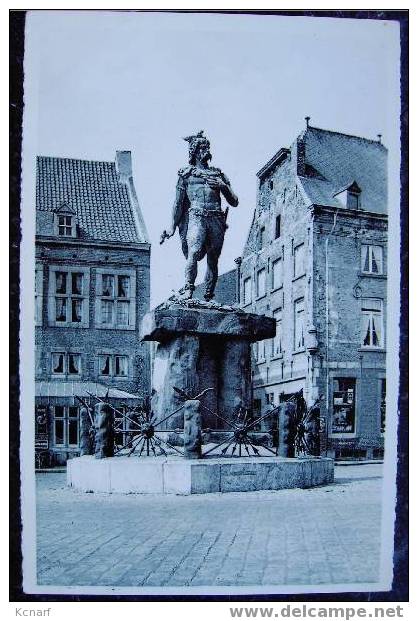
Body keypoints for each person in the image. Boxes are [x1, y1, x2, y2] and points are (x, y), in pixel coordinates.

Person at [161, 131, 239, 300]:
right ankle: (189, 289)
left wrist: (223, 186)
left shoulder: (219, 174)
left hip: (217, 218)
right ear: (194, 151)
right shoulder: (186, 175)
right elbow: (178, 203)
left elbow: (234, 201)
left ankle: (209, 295)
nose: (206, 149)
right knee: (194, 253)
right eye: (203, 147)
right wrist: (171, 227)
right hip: (196, 217)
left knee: (213, 258)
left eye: (207, 146)